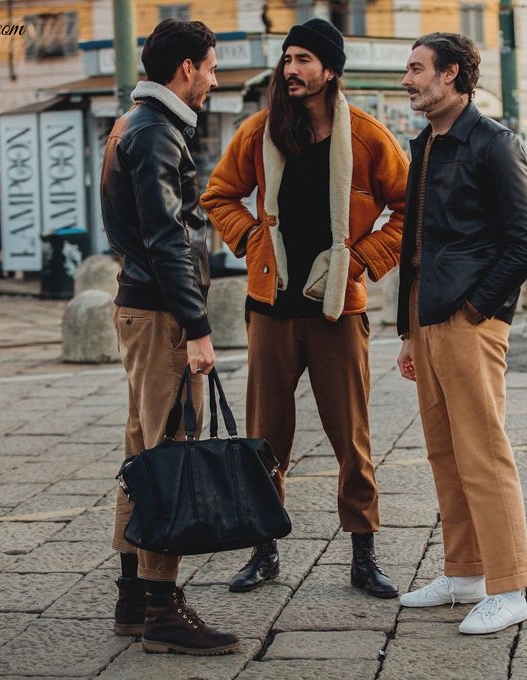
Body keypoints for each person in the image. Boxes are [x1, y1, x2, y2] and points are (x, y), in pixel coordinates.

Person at [201, 18, 409, 599]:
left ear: (330, 70)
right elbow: (217, 195)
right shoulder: (261, 131)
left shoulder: (367, 136)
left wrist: (362, 258)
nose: (290, 70)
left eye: (302, 60)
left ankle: (363, 555)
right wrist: (249, 240)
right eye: (287, 59)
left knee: (353, 438)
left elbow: (408, 207)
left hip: (338, 309)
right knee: (266, 437)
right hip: (270, 306)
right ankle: (262, 550)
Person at [100, 19, 239, 656]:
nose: (214, 79)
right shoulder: (157, 132)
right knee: (167, 455)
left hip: (139, 306)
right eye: (211, 67)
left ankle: (133, 598)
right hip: (160, 315)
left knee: (141, 452)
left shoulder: (134, 123)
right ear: (185, 68)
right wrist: (198, 325)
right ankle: (162, 608)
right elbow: (167, 238)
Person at [395, 32, 527, 635]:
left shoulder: (494, 143)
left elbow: (526, 243)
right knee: (443, 451)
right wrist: (407, 331)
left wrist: (480, 309)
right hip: (425, 320)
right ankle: (464, 572)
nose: (408, 80)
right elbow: (416, 244)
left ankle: (510, 587)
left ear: (451, 75)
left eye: (416, 69)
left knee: (482, 453)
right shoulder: (427, 143)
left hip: (466, 320)